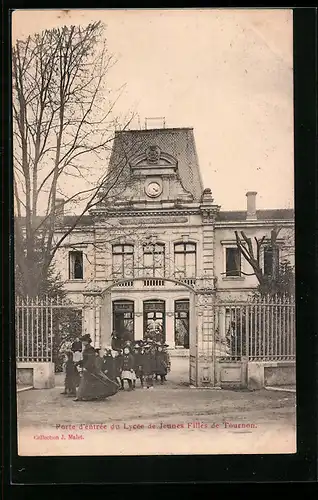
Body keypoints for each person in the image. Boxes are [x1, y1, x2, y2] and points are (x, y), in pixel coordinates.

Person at [74, 334, 119, 401]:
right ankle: (85, 396)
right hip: (88, 368)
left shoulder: (90, 349)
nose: (82, 342)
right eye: (82, 341)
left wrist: (86, 367)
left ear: (87, 341)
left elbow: (91, 360)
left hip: (91, 368)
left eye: (84, 341)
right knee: (87, 383)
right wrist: (79, 363)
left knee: (90, 382)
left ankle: (83, 396)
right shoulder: (86, 348)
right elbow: (85, 359)